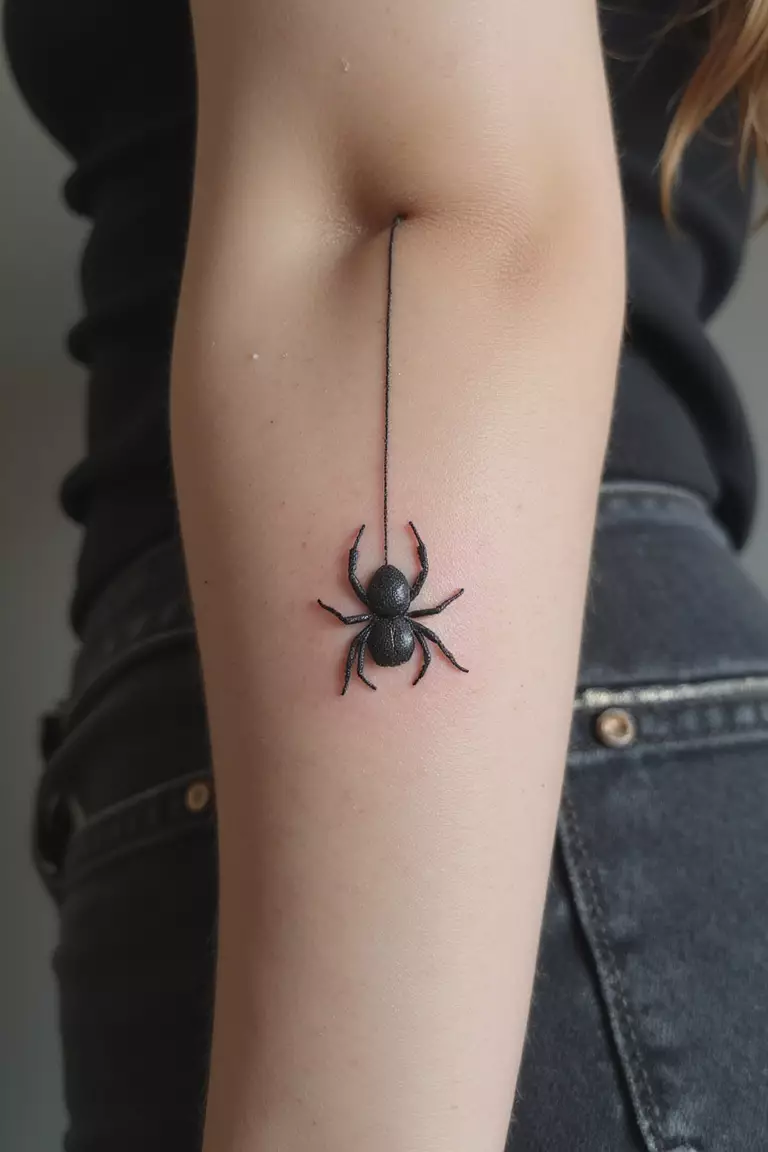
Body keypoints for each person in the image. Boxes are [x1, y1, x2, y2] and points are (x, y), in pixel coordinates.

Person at [5, 0, 768, 1147]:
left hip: (475, 782)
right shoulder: (394, 603)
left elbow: (421, 219)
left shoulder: (382, 610)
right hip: (609, 728)